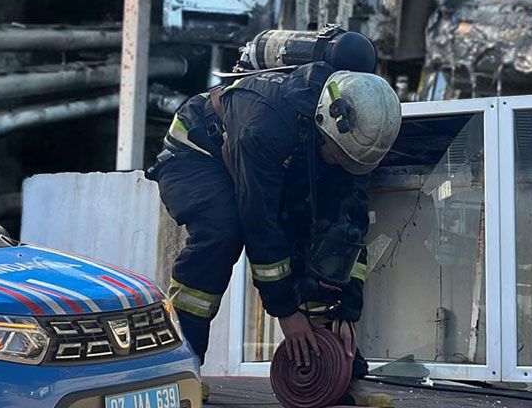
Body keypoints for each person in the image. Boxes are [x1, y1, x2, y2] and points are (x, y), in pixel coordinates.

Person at [147, 60, 401, 406]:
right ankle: (178, 371)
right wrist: (286, 312)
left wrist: (347, 310)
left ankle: (334, 377)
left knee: (325, 236)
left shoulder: (352, 141)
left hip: (270, 158)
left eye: (351, 161)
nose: (342, 165)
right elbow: (260, 222)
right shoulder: (266, 125)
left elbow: (350, 229)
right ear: (325, 122)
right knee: (222, 231)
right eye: (339, 156)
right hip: (197, 149)